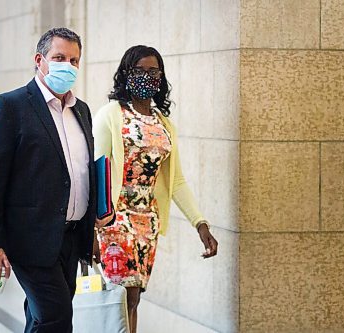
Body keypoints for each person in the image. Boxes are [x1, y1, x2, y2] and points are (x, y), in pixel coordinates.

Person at [0, 27, 113, 333]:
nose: (69, 66)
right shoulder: (10, 107)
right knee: (56, 318)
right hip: (30, 238)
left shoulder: (82, 111)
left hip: (72, 238)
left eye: (75, 60)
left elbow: (81, 174)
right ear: (40, 60)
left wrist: (90, 232)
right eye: (59, 57)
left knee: (40, 317)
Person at [92, 45, 219, 333]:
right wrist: (92, 229)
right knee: (123, 296)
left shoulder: (164, 125)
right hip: (114, 220)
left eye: (153, 71)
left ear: (161, 78)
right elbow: (95, 173)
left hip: (147, 221)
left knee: (134, 300)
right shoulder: (110, 115)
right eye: (139, 71)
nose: (146, 77)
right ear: (126, 74)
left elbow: (176, 180)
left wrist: (200, 224)